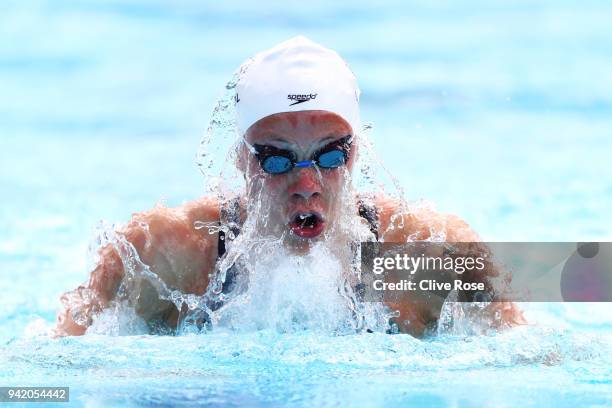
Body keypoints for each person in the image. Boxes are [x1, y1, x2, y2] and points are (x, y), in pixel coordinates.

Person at [55, 36, 524, 337]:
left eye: (330, 155)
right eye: (276, 159)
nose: (306, 185)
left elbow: (536, 358)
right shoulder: (164, 252)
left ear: (355, 154)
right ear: (242, 160)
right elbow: (55, 364)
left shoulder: (428, 250)